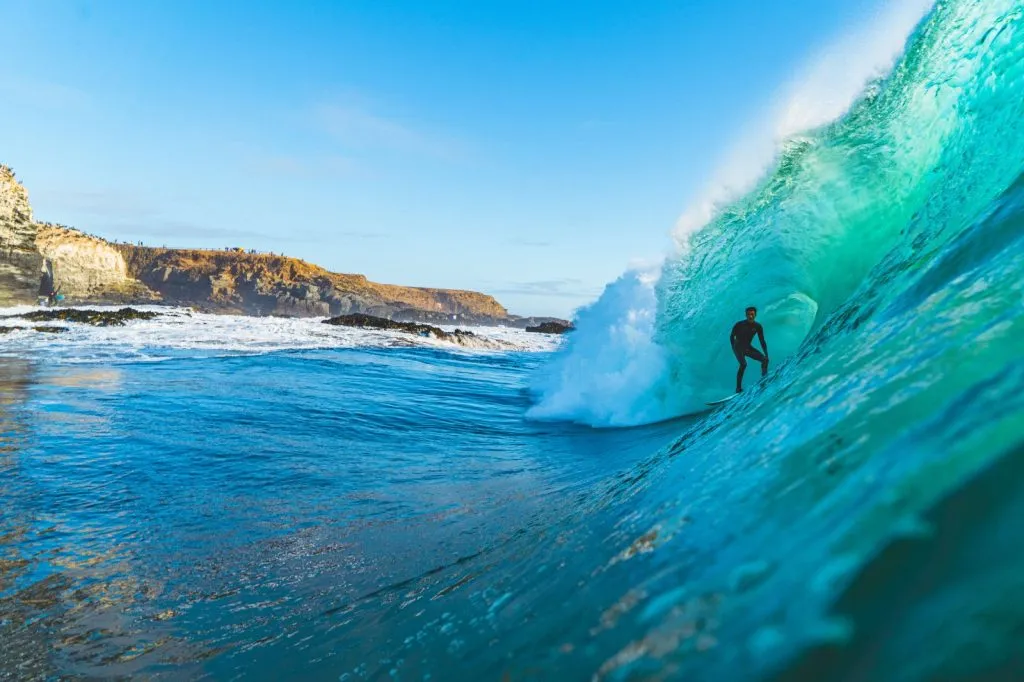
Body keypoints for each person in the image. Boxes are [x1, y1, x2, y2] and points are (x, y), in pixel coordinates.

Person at [730, 306, 768, 393]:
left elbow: (762, 341)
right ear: (746, 315)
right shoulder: (739, 324)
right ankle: (738, 388)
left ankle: (764, 380)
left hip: (747, 347)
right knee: (743, 364)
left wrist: (766, 354)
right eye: (748, 314)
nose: (750, 316)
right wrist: (733, 347)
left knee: (765, 360)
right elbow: (732, 336)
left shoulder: (758, 326)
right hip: (738, 347)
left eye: (752, 314)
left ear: (755, 315)